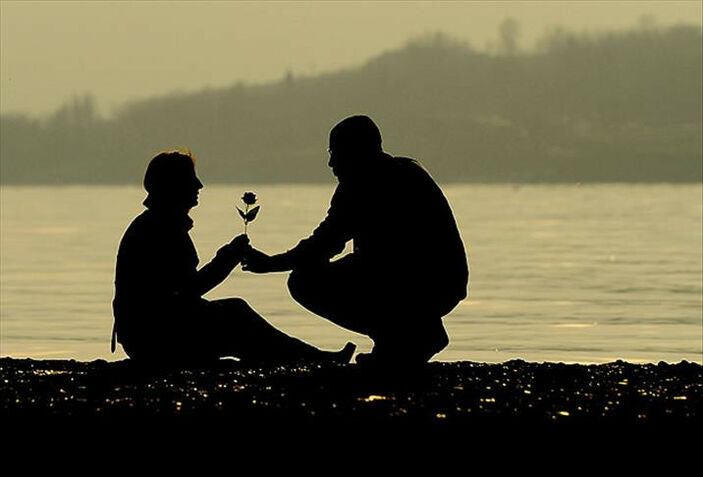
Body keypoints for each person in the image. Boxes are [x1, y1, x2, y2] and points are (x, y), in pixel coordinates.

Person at [243, 116, 469, 365]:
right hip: (443, 283)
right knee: (362, 267)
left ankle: (405, 339)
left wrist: (269, 263)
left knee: (303, 281)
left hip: (420, 285)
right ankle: (401, 339)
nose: (331, 163)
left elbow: (324, 244)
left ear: (356, 151)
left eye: (335, 153)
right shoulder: (407, 170)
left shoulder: (363, 184)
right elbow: (328, 243)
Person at [111, 150, 355, 365]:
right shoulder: (159, 230)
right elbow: (188, 291)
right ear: (172, 186)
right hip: (153, 339)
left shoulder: (157, 225)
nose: (199, 185)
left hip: (147, 335)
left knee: (236, 316)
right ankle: (314, 359)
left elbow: (180, 295)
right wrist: (227, 258)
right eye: (190, 179)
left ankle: (310, 357)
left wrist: (228, 256)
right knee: (236, 315)